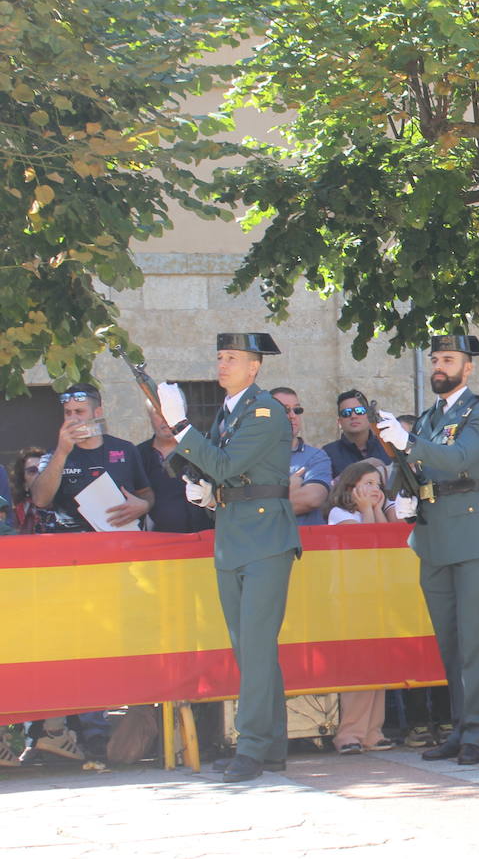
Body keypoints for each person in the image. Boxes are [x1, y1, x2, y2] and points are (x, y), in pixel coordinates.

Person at [157, 332, 300, 783]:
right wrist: (205, 490)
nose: (221, 365)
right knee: (249, 648)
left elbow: (223, 464)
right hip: (234, 536)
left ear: (254, 367)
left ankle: (253, 745)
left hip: (264, 538)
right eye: (219, 357)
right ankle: (272, 744)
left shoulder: (264, 409)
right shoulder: (228, 411)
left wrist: (180, 427)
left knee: (255, 647)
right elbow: (221, 473)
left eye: (231, 358)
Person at [374, 335, 479, 767]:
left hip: (471, 531)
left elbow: (461, 456)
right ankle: (461, 726)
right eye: (434, 359)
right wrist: (403, 492)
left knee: (474, 641)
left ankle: (477, 734)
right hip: (434, 535)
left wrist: (410, 442)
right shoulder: (431, 416)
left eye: (448, 359)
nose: (439, 366)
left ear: (468, 369)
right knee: (450, 642)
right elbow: (416, 466)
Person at [324, 459, 398, 755]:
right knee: (357, 665)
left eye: (378, 484)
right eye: (368, 483)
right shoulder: (339, 513)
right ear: (351, 486)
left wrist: (377, 509)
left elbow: (387, 544)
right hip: (351, 596)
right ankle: (349, 733)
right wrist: (369, 510)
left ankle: (372, 731)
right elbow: (364, 547)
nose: (374, 489)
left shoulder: (374, 511)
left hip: (377, 595)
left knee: (377, 663)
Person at [29, 383, 152, 533]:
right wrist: (62, 452)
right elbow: (40, 500)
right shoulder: (53, 455)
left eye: (79, 412)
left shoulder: (125, 449)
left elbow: (146, 492)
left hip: (119, 542)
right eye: (68, 413)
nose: (72, 418)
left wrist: (144, 505)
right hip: (73, 545)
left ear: (97, 412)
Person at [137, 408, 214, 534]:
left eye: (169, 411)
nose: (165, 419)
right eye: (158, 413)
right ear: (149, 416)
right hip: (155, 543)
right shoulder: (137, 455)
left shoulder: (204, 449)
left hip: (202, 541)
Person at [270, 387, 331, 526]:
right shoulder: (253, 457)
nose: (292, 415)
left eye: (296, 410)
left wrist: (260, 508)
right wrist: (288, 488)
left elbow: (312, 499)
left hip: (308, 545)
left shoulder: (316, 457)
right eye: (285, 410)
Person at [323, 389, 392, 478]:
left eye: (360, 410)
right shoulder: (328, 454)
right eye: (346, 413)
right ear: (339, 421)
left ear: (369, 416)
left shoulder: (388, 448)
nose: (353, 416)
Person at [10, 446, 50, 533]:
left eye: (44, 470)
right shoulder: (13, 515)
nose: (39, 475)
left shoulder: (67, 510)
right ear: (24, 481)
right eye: (32, 471)